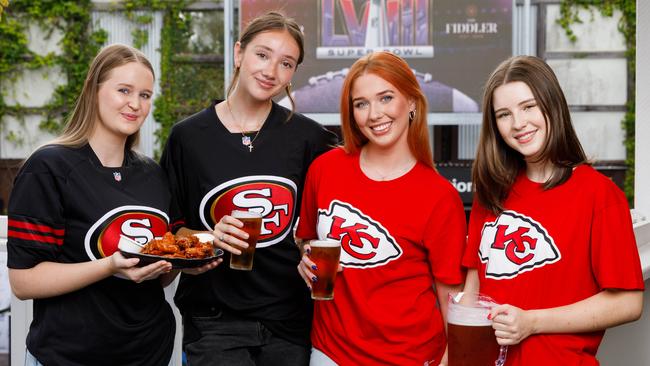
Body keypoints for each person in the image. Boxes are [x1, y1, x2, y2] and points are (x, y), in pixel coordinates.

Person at [160, 11, 337, 365]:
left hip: (290, 321)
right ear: (239, 53)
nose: (271, 71)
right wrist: (209, 238)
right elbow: (170, 233)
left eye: (286, 63)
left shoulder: (310, 138)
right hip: (214, 323)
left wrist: (308, 249)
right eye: (262, 54)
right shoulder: (189, 138)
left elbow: (325, 220)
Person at [462, 55, 644, 365]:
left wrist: (532, 322)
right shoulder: (491, 192)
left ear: (552, 104)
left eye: (528, 106)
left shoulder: (599, 195)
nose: (518, 124)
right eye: (504, 114)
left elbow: (628, 302)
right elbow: (473, 290)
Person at [6, 44, 182, 365]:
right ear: (93, 89)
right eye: (124, 90)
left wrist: (186, 264)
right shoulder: (49, 167)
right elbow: (23, 281)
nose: (135, 104)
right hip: (70, 357)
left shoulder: (153, 174)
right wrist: (109, 266)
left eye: (145, 95)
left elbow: (157, 273)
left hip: (150, 353)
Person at [296, 51, 467, 366]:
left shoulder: (439, 196)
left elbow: (451, 301)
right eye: (361, 103)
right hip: (331, 352)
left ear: (412, 102)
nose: (374, 114)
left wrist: (447, 361)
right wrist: (306, 258)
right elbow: (306, 238)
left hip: (410, 356)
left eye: (386, 98)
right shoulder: (325, 170)